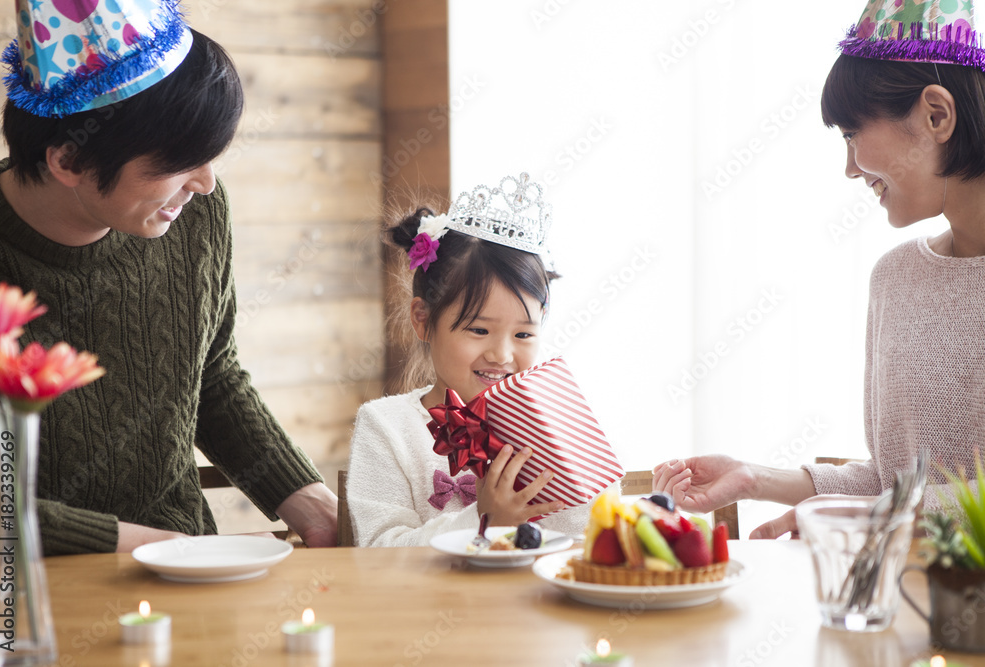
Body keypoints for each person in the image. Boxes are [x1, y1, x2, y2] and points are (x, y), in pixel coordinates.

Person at [0, 0, 337, 554]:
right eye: (180, 161)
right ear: (69, 161)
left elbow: (212, 377)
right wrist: (150, 547)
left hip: (186, 573)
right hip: (23, 594)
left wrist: (307, 499)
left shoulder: (192, 215)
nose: (205, 184)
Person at [652, 0, 985, 539]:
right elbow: (891, 483)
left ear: (936, 115)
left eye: (852, 134)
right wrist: (753, 478)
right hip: (894, 603)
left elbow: (904, 505)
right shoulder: (896, 277)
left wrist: (854, 519)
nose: (850, 168)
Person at [347, 174, 592, 546]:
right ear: (423, 319)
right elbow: (380, 553)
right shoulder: (387, 427)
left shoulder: (551, 428)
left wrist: (578, 464)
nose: (502, 354)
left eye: (523, 334)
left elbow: (588, 540)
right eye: (479, 330)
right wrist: (482, 520)